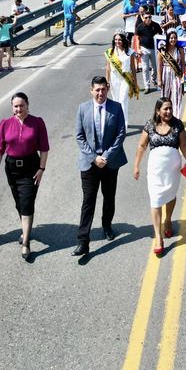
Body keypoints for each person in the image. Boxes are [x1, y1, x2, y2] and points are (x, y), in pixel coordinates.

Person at [73, 76, 127, 257]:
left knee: (109, 197)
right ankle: (83, 241)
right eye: (97, 90)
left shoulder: (116, 108)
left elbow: (121, 134)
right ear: (91, 90)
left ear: (107, 89)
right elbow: (80, 136)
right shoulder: (83, 109)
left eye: (103, 89)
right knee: (88, 201)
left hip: (110, 162)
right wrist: (94, 157)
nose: (100, 93)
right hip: (89, 164)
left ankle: (107, 225)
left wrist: (106, 156)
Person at [132, 98, 186, 255]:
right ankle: (158, 237)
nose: (168, 111)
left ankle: (168, 220)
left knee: (171, 195)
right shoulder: (150, 125)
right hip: (155, 171)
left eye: (170, 108)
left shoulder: (177, 124)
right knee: (156, 199)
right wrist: (136, 166)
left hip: (172, 170)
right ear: (157, 111)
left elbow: (184, 145)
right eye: (165, 109)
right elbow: (142, 145)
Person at [0, 92, 50, 260]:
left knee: (27, 202)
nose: (19, 109)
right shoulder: (5, 124)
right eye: (16, 106)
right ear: (12, 108)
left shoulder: (37, 123)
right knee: (19, 203)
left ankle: (26, 243)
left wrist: (41, 169)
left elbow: (44, 148)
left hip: (31, 168)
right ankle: (26, 229)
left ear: (27, 105)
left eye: (22, 105)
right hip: (12, 169)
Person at [135, 9, 164, 93]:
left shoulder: (156, 25)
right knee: (145, 68)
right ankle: (146, 86)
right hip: (144, 49)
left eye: (150, 17)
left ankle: (153, 78)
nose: (148, 19)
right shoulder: (140, 26)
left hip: (154, 49)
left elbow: (161, 35)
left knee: (155, 67)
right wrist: (138, 49)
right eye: (146, 17)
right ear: (143, 18)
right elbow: (137, 38)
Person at [158, 30, 186, 108]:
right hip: (166, 74)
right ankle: (166, 113)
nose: (173, 40)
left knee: (176, 95)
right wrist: (159, 80)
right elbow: (159, 65)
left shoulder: (180, 50)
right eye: (171, 38)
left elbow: (183, 64)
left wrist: (183, 76)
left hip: (177, 75)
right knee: (165, 96)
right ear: (168, 39)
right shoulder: (162, 50)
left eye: (175, 38)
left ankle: (176, 114)